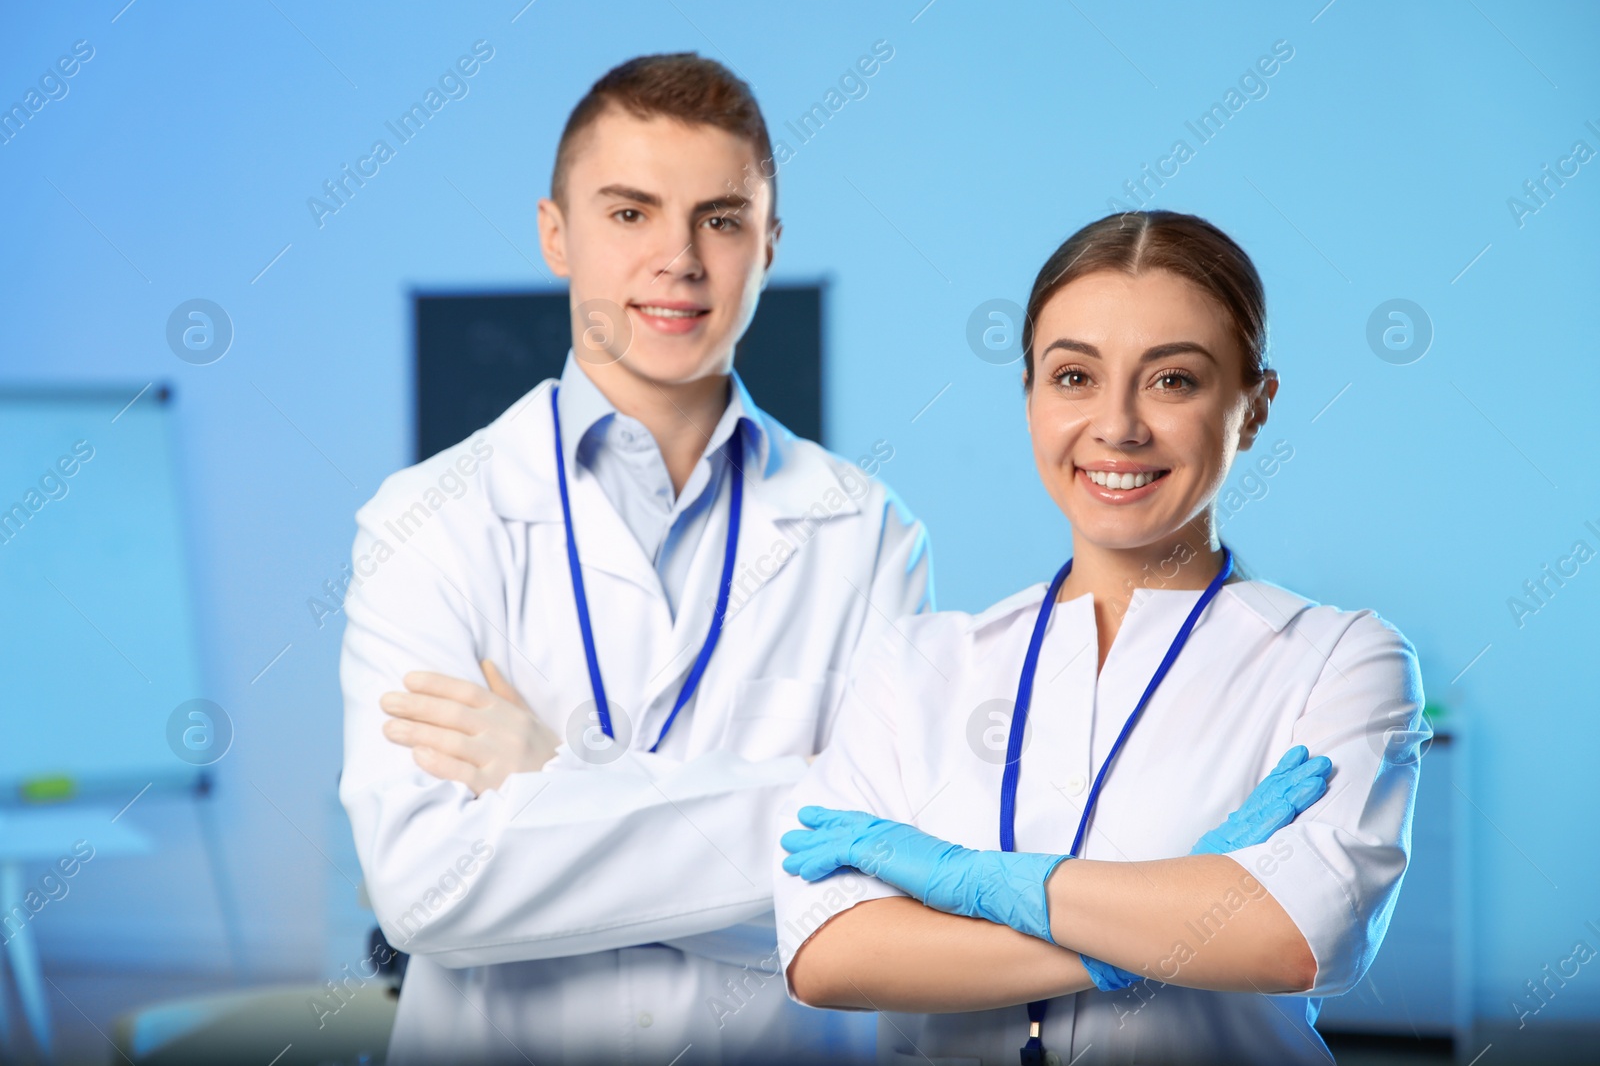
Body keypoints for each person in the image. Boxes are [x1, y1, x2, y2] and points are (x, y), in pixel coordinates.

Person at [337, 54, 934, 1065]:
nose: (679, 259)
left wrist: (552, 773)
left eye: (720, 216)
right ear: (555, 234)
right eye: (628, 215)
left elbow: (878, 898)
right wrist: (792, 814)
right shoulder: (423, 520)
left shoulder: (866, 529)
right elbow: (424, 886)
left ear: (768, 243)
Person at [773, 210, 1429, 1065]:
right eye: (1074, 376)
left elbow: (1304, 933)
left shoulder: (1340, 659)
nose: (1117, 426)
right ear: (1031, 395)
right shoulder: (918, 663)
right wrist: (1165, 923)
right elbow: (829, 952)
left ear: (1255, 407)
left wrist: (972, 884)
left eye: (1173, 381)